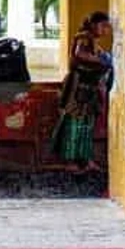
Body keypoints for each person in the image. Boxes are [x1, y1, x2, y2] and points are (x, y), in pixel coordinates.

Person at [52, 11, 111, 172]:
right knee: (74, 124)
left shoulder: (94, 41)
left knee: (87, 125)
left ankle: (86, 160)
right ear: (93, 25)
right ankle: (70, 162)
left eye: (107, 27)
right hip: (78, 88)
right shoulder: (84, 37)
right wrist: (102, 60)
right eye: (103, 26)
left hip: (90, 88)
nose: (106, 30)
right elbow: (79, 54)